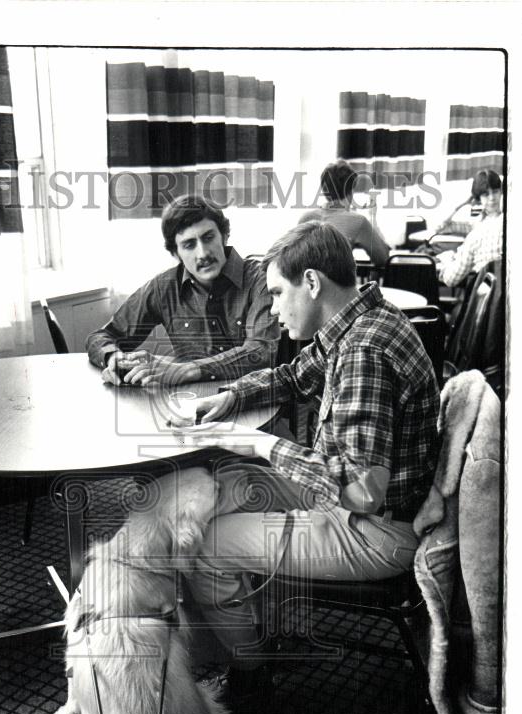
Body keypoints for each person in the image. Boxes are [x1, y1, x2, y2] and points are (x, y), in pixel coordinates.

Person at [172, 221, 439, 675]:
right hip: (357, 504)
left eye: (277, 293)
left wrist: (258, 443)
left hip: (373, 529)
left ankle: (250, 672)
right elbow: (293, 377)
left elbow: (362, 490)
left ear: (311, 282)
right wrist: (230, 396)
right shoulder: (360, 320)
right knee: (226, 484)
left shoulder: (364, 350)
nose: (274, 310)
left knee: (207, 547)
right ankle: (240, 622)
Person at [86, 195, 280, 387]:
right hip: (189, 407)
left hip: (256, 405)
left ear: (225, 236)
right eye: (189, 245)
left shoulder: (261, 278)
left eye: (208, 237)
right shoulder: (163, 287)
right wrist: (114, 358)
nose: (203, 253)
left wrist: (184, 370)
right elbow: (100, 337)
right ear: (175, 253)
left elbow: (260, 352)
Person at [298, 158, 390, 267]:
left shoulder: (305, 218)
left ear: (324, 189)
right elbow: (382, 258)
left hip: (308, 281)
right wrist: (373, 220)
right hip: (338, 282)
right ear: (350, 190)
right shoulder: (358, 221)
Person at [438, 170, 504, 287]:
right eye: (486, 194)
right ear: (478, 198)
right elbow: (442, 226)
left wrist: (447, 261)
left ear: (501, 192)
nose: (492, 198)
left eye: (495, 192)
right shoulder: (479, 222)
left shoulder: (476, 235)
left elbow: (450, 279)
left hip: (485, 297)